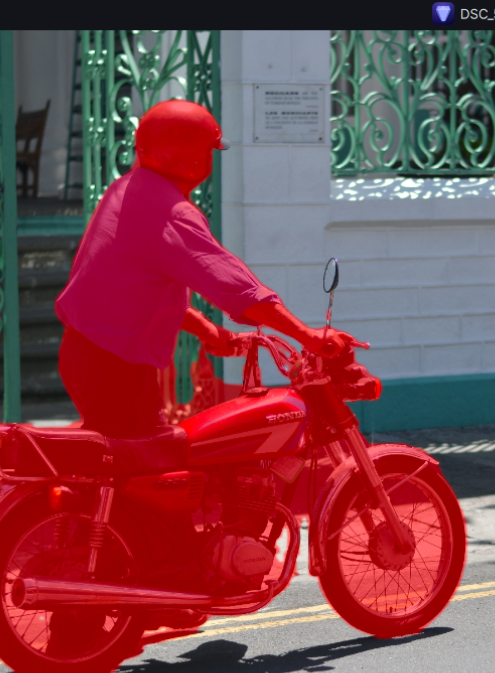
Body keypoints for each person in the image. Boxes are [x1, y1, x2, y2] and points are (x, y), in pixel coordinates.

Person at [54, 98, 357, 440]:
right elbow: (237, 289)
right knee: (151, 471)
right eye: (210, 151)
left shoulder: (125, 190)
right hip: (117, 368)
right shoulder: (173, 213)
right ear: (196, 159)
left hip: (85, 354)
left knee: (123, 465)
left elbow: (135, 288)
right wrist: (308, 335)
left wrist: (209, 331)